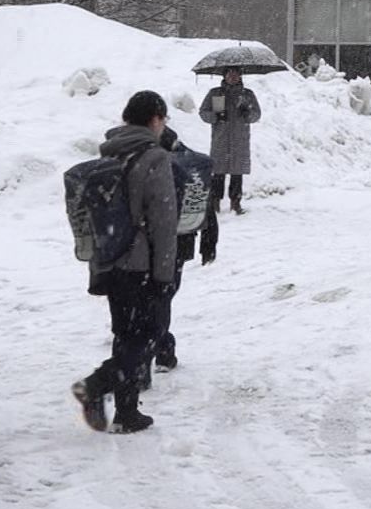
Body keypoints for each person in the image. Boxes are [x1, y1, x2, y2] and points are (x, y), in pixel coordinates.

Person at [73, 90, 179, 435]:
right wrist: (164, 273)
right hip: (140, 264)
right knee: (149, 335)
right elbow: (163, 220)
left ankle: (127, 412)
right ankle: (95, 385)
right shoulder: (154, 157)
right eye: (163, 120)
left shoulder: (111, 152)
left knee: (125, 334)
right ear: (155, 119)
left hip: (110, 260)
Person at [154, 125, 220, 374]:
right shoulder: (190, 165)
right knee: (163, 296)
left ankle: (157, 349)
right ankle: (162, 352)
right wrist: (209, 243)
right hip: (180, 243)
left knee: (154, 298)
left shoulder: (150, 164)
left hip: (149, 241)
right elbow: (204, 203)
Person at [198, 68, 262, 215]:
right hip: (220, 138)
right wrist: (215, 116)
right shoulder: (215, 93)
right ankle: (215, 202)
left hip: (239, 139)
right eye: (229, 74)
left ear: (240, 76)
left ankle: (236, 203)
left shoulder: (247, 95)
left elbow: (257, 114)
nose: (232, 77)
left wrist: (247, 114)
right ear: (224, 76)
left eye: (236, 74)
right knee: (218, 172)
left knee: (237, 172)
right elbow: (203, 112)